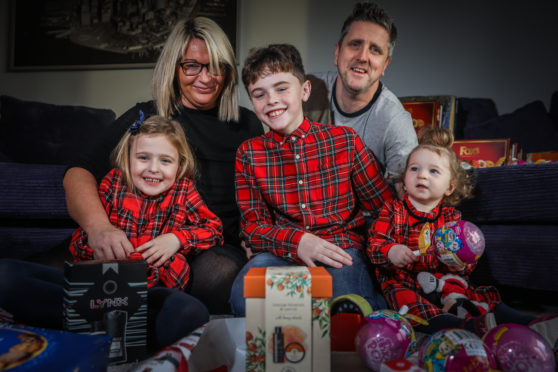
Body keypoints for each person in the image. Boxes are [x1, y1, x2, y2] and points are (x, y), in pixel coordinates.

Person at [62, 16, 264, 314]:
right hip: (136, 244)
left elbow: (260, 193)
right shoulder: (146, 118)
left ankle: (137, 307)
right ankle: (130, 305)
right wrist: (99, 228)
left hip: (208, 247)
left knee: (223, 275)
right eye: (192, 65)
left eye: (216, 66)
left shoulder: (247, 124)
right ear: (174, 67)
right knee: (34, 274)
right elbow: (78, 172)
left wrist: (256, 237)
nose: (206, 78)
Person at [1, 115, 223, 350]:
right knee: (6, 274)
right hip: (97, 289)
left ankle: (93, 327)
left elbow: (213, 229)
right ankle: (111, 326)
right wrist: (100, 248)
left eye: (165, 160)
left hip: (150, 291)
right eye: (143, 158)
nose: (153, 169)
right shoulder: (113, 183)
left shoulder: (183, 191)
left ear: (180, 165)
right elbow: (82, 242)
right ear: (127, 158)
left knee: (191, 312)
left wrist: (176, 239)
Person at [228, 43, 395, 317]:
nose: (271, 99)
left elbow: (383, 207)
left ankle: (368, 300)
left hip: (340, 251)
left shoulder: (344, 141)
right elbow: (253, 226)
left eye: (281, 88)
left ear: (304, 91)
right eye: (259, 94)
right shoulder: (249, 153)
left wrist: (383, 254)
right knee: (244, 300)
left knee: (344, 310)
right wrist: (298, 242)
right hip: (282, 252)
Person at [368, 127, 558, 345]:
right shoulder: (393, 211)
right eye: (414, 168)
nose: (422, 174)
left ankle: (528, 322)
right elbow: (375, 243)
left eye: (433, 171)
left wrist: (460, 264)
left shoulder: (451, 218)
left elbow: (465, 256)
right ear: (403, 179)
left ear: (449, 187)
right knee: (414, 307)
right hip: (404, 280)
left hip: (441, 278)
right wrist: (391, 250)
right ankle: (466, 328)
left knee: (475, 295)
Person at [303, 1, 417, 184]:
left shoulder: (395, 123)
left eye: (375, 50)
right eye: (355, 44)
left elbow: (406, 199)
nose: (363, 57)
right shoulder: (305, 90)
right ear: (337, 52)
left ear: (385, 65)